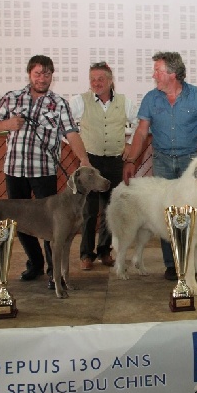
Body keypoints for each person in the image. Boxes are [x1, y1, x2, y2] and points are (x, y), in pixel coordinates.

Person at [0, 55, 91, 289]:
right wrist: (6, 125)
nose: (42, 78)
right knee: (20, 222)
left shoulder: (58, 103)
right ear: (29, 74)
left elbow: (71, 133)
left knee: (53, 224)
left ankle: (55, 273)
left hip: (44, 170)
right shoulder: (11, 98)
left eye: (47, 74)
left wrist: (84, 160)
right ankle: (35, 264)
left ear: (52, 76)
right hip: (14, 170)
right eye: (38, 73)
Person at [122, 51, 197, 281]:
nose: (154, 74)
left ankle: (195, 267)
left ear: (173, 74)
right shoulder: (151, 98)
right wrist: (130, 160)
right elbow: (142, 131)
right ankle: (173, 264)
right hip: (162, 160)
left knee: (194, 213)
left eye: (158, 70)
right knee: (168, 211)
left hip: (191, 162)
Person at [69, 62, 138, 271]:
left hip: (115, 161)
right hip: (90, 162)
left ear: (110, 80)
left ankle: (104, 251)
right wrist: (79, 149)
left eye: (100, 79)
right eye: (92, 79)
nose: (96, 83)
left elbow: (141, 123)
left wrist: (129, 144)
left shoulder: (125, 102)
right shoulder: (79, 101)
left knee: (111, 208)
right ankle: (86, 254)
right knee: (89, 210)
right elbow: (65, 126)